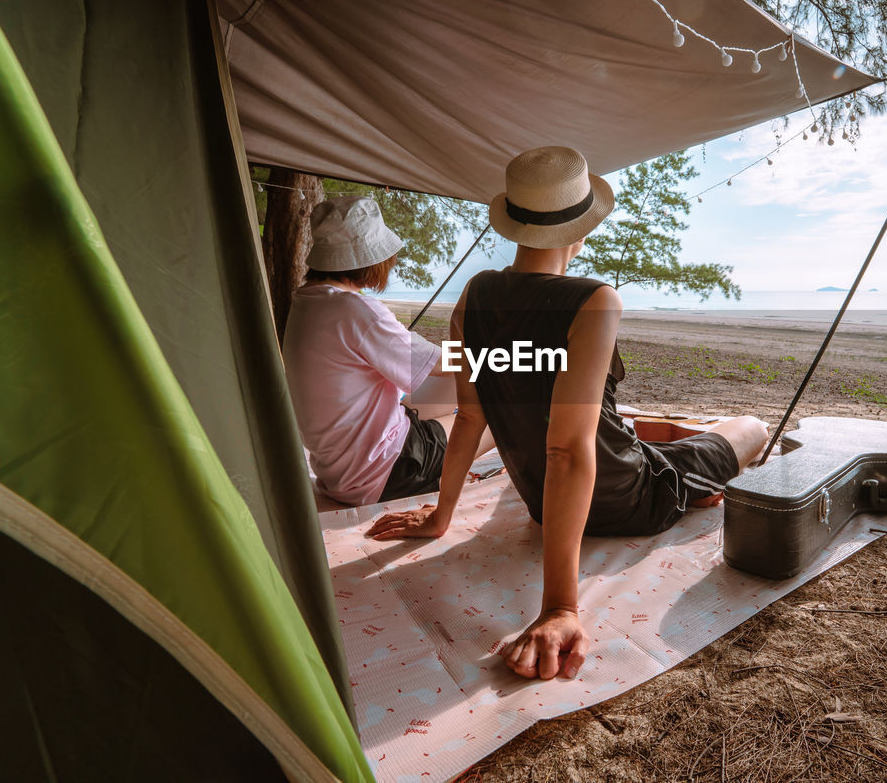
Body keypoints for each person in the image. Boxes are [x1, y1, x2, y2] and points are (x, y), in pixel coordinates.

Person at [367, 147, 768, 680]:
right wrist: (561, 607)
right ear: (580, 231)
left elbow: (469, 418)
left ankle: (690, 474)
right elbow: (567, 447)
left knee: (659, 444)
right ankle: (692, 480)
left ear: (515, 225)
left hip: (542, 500)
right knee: (751, 428)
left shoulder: (473, 295)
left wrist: (442, 517)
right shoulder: (596, 300)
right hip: (627, 496)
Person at [282, 195, 491, 507]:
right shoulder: (354, 310)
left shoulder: (307, 302)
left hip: (340, 474)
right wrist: (509, 356)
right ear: (374, 259)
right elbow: (441, 362)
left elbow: (432, 364)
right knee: (498, 401)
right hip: (385, 472)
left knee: (462, 379)